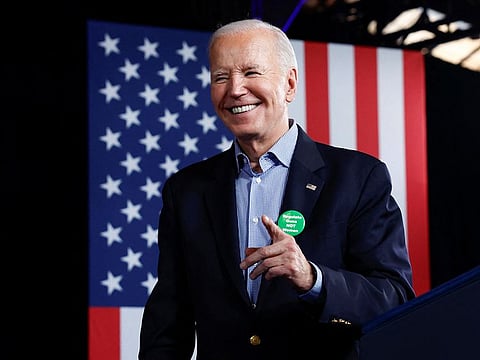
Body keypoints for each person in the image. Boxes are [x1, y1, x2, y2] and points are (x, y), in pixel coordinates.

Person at [138, 18, 415, 360]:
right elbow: (168, 319)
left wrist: (312, 279)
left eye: (251, 72)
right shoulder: (186, 191)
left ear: (289, 84)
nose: (235, 89)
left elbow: (394, 296)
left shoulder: (359, 177)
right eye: (220, 77)